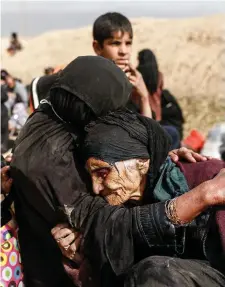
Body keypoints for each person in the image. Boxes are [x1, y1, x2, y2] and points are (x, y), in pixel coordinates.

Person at [11, 56, 210, 287]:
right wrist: (199, 198)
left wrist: (157, 155)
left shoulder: (60, 115)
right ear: (92, 109)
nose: (97, 187)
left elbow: (128, 141)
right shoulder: (49, 157)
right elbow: (112, 226)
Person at [53, 110, 225, 286]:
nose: (97, 188)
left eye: (103, 172)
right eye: (91, 177)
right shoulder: (117, 210)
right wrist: (81, 258)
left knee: (156, 271)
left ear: (142, 163)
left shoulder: (209, 177)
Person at [92, 12, 152, 118]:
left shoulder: (132, 83)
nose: (124, 51)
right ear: (97, 47)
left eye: (128, 43)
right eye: (115, 43)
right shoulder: (90, 83)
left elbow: (150, 132)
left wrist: (144, 97)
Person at [137, 49, 184, 147]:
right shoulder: (159, 75)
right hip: (158, 109)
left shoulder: (138, 74)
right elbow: (160, 89)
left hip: (146, 107)